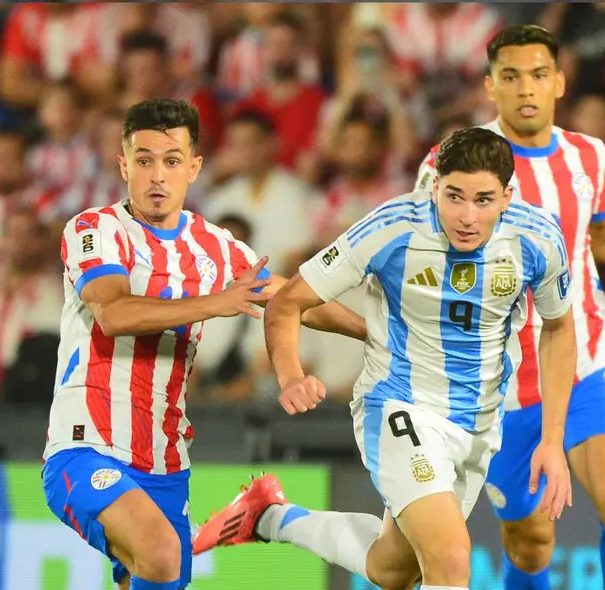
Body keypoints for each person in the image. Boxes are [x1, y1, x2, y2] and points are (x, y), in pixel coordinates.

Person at [193, 127, 578, 590]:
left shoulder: (536, 239)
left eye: (483, 200)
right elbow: (289, 299)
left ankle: (269, 518)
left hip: (478, 424)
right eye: (454, 196)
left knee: (392, 569)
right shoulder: (392, 227)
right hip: (399, 407)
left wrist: (552, 441)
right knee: (452, 559)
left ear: (507, 196)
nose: (467, 216)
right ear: (434, 185)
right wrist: (290, 374)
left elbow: (558, 328)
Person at [413, 26, 605, 590]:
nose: (527, 89)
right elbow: (421, 256)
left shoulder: (588, 156)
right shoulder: (453, 162)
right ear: (490, 86)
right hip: (499, 385)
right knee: (531, 543)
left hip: (587, 357)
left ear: (560, 82)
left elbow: (601, 235)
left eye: (539, 75)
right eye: (511, 76)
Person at [39, 98, 366, 590]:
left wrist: (375, 333)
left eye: (171, 161)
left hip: (167, 461)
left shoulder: (215, 247)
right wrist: (216, 301)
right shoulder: (95, 230)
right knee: (161, 552)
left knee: (157, 572)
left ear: (194, 168)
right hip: (86, 445)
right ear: (123, 164)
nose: (157, 176)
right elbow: (114, 313)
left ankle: (238, 521)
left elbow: (292, 298)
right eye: (144, 160)